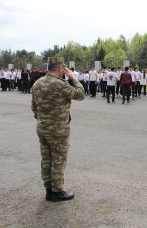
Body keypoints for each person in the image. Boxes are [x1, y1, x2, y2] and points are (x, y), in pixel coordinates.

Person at [31, 57, 85, 202]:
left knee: (46, 159)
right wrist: (73, 78)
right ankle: (56, 191)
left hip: (42, 128)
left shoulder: (37, 84)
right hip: (58, 130)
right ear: (60, 69)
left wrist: (44, 120)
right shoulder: (59, 85)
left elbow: (34, 108)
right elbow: (80, 94)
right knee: (58, 160)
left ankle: (49, 189)